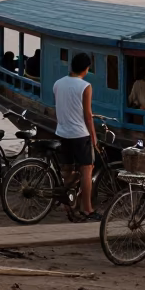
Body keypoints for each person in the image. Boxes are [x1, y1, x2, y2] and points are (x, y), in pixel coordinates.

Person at [52, 52, 98, 221]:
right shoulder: (85, 86)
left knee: (68, 171)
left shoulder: (57, 84)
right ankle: (87, 209)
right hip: (80, 134)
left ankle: (67, 205)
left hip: (62, 133)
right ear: (86, 69)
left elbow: (59, 108)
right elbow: (88, 115)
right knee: (87, 170)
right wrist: (94, 136)